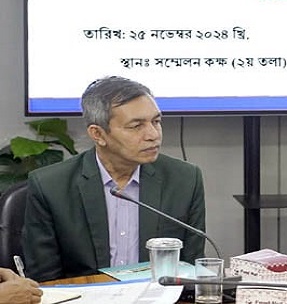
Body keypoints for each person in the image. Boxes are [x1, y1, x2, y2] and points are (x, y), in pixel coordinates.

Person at [23, 76, 207, 281]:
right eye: (136, 126)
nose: (153, 135)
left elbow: (191, 268)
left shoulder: (184, 180)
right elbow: (45, 281)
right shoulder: (50, 186)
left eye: (156, 121)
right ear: (98, 134)